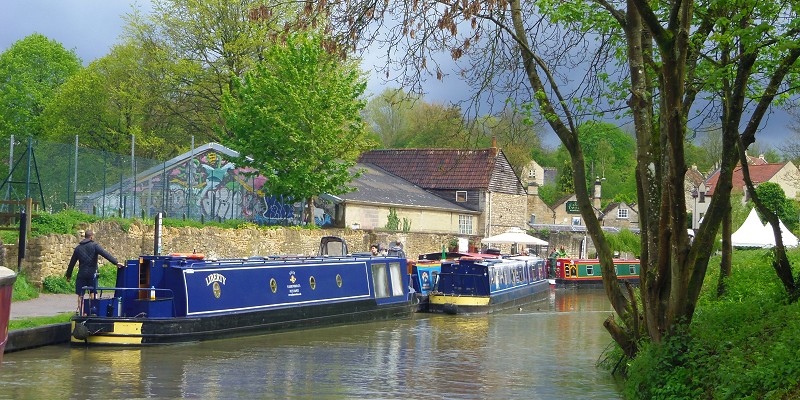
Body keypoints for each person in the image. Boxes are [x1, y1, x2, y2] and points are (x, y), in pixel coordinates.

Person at [65, 230, 124, 314]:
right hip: (92, 273)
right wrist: (116, 262)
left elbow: (72, 262)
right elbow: (105, 254)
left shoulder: (78, 248)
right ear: (91, 237)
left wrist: (68, 275)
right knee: (93, 292)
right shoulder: (94, 245)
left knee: (80, 294)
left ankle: (81, 313)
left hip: (82, 274)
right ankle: (93, 311)